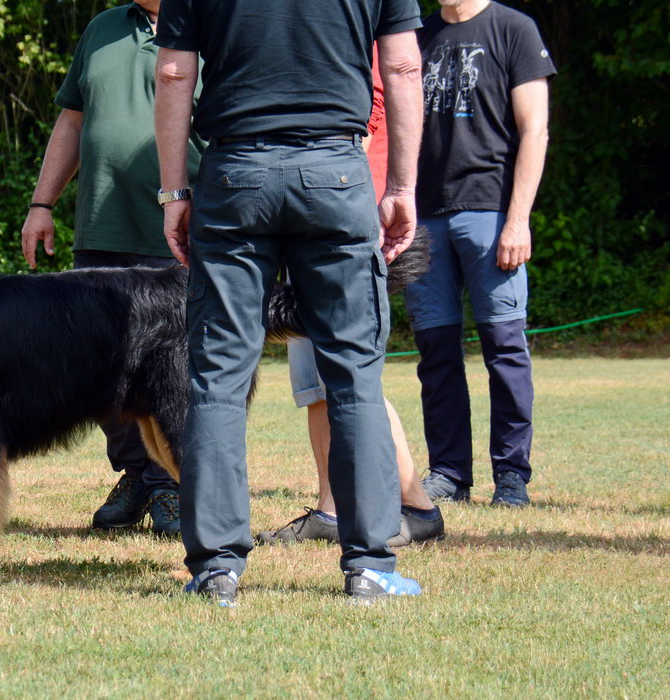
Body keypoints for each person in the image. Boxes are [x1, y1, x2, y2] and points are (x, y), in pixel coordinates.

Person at [154, 0, 427, 604]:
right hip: (336, 170)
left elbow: (174, 72)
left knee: (218, 376)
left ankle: (216, 569)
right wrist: (403, 187)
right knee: (354, 373)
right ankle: (370, 566)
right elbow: (403, 69)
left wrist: (174, 189)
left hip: (234, 174)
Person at [20, 0, 204, 537]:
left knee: (171, 369)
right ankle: (137, 477)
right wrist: (41, 204)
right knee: (104, 369)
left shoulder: (209, 20)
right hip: (101, 225)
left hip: (178, 229)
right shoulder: (102, 28)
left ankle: (172, 482)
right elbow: (73, 119)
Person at [260, 49, 443, 548]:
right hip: (307, 206)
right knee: (314, 379)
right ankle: (331, 507)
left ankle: (418, 508)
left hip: (346, 207)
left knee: (349, 373)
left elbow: (375, 103)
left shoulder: (357, 20)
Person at [406, 0, 554, 508]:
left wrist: (518, 219)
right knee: (436, 353)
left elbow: (535, 129)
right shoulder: (416, 34)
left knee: (505, 348)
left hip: (490, 213)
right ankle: (449, 473)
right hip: (423, 219)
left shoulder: (513, 28)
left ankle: (511, 477)